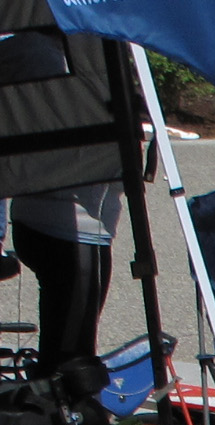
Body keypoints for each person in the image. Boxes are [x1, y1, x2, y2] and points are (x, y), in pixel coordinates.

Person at [0, 0, 121, 373]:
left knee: (74, 344)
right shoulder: (36, 52)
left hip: (83, 222)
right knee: (70, 356)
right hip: (62, 221)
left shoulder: (80, 50)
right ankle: (60, 417)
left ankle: (64, 411)